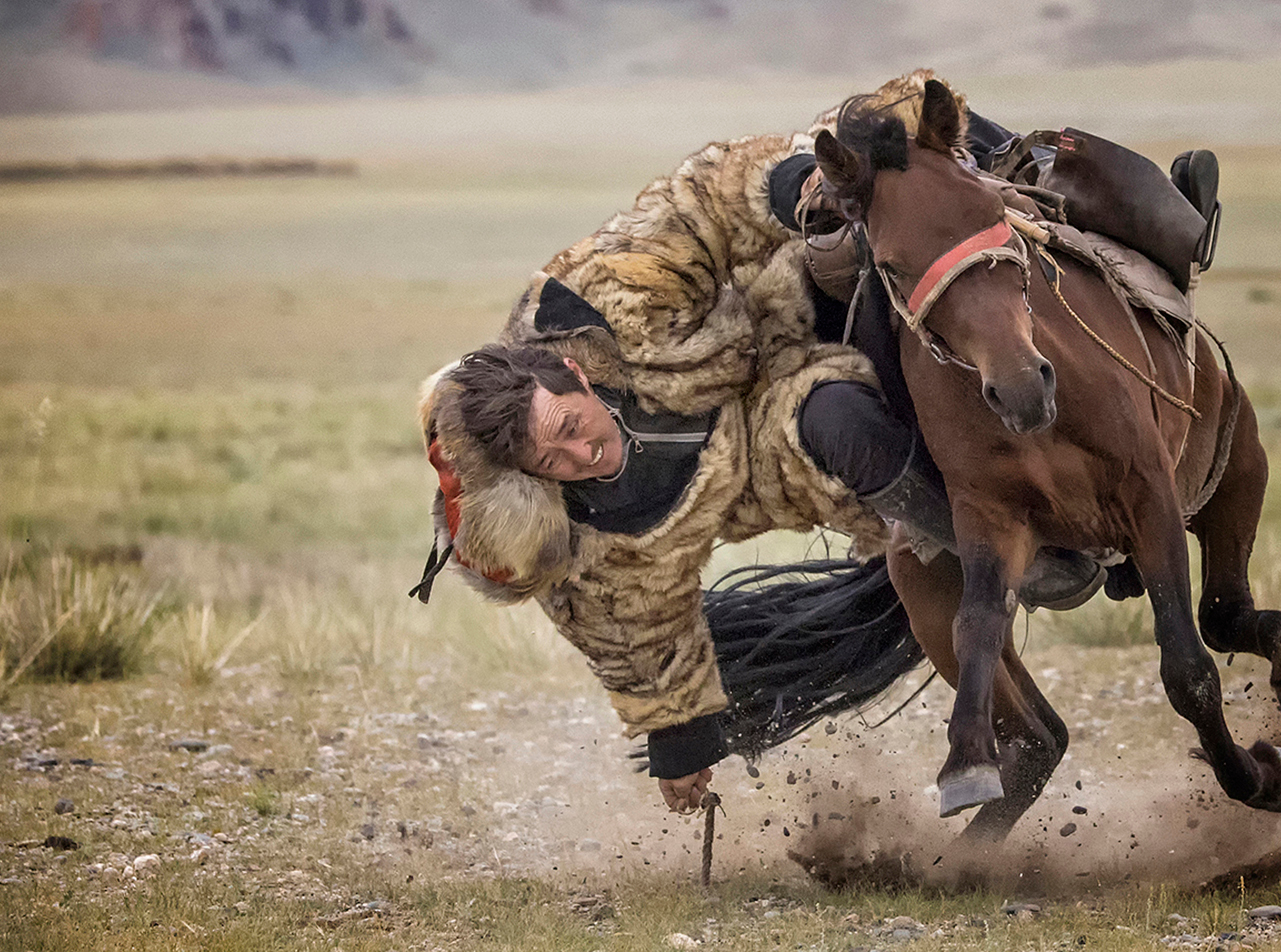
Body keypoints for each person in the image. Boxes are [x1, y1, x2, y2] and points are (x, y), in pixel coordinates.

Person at [414, 71, 1219, 813]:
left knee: (880, 134)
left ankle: (1161, 223)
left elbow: (699, 205)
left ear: (566, 374)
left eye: (567, 431)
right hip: (775, 444)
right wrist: (680, 739)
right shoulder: (594, 530)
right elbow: (632, 629)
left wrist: (797, 190)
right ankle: (1034, 561)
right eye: (550, 467)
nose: (578, 458)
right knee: (839, 420)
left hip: (791, 306)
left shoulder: (603, 294)